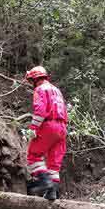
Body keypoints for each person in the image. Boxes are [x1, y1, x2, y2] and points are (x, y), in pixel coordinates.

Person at [24, 66, 68, 201]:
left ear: (34, 79)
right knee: (54, 163)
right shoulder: (56, 90)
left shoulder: (40, 89)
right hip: (62, 128)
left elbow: (41, 111)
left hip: (49, 125)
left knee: (33, 156)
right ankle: (52, 193)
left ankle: (45, 183)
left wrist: (33, 128)